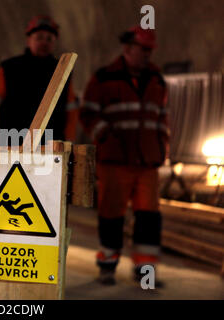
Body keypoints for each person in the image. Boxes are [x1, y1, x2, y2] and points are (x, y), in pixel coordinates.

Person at [79, 26, 169, 285]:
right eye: (144, 50)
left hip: (147, 162)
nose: (148, 56)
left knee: (149, 218)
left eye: (150, 51)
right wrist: (106, 136)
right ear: (128, 49)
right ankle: (107, 267)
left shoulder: (156, 79)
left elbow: (161, 117)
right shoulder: (104, 79)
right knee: (111, 215)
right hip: (115, 161)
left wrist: (162, 147)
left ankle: (146, 271)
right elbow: (89, 114)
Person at [0, 15, 78, 143]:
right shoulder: (10, 69)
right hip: (13, 144)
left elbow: (71, 112)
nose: (44, 42)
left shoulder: (63, 71)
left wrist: (69, 144)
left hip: (50, 148)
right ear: (29, 40)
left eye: (49, 39)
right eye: (39, 37)